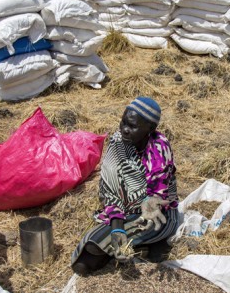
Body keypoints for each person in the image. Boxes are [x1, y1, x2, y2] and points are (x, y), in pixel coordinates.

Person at [70, 96, 179, 275]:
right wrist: (118, 229)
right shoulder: (118, 143)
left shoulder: (160, 148)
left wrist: (150, 200)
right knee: (82, 265)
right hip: (125, 212)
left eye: (133, 127)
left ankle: (154, 241)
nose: (125, 130)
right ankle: (138, 246)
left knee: (96, 249)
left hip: (157, 214)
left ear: (150, 129)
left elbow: (159, 194)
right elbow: (111, 193)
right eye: (123, 123)